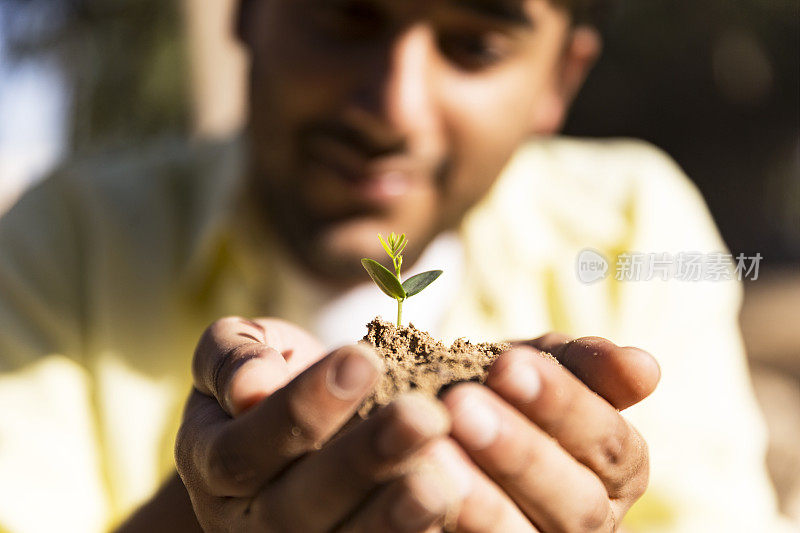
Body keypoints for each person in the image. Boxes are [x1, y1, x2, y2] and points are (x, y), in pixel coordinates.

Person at [0, 0, 791, 531]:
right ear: (247, 14)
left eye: (474, 47)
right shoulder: (72, 237)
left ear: (560, 79)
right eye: (346, 16)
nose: (392, 109)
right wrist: (200, 517)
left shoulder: (630, 224)